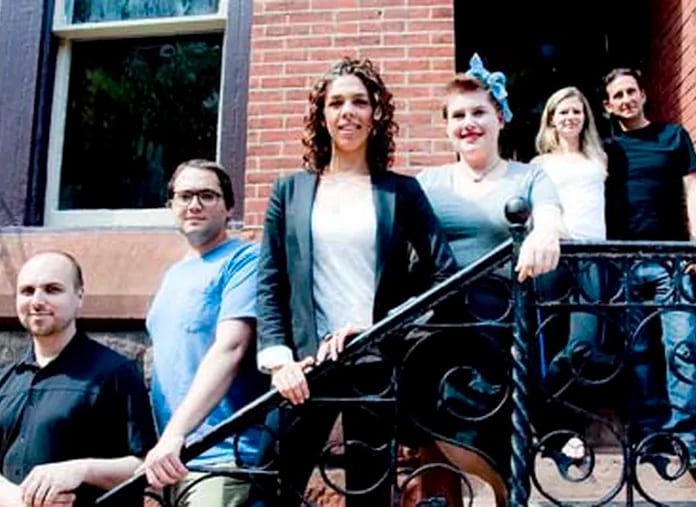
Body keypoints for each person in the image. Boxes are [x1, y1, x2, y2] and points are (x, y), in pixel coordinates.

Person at [256, 57, 458, 506]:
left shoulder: (400, 192)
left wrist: (383, 329)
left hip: (375, 365)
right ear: (321, 115)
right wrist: (278, 361)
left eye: (360, 102)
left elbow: (443, 273)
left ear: (375, 114)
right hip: (304, 371)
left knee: (370, 495)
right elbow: (270, 283)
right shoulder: (288, 192)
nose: (348, 111)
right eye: (336, 102)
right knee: (272, 487)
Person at [415, 53, 564, 504]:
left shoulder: (529, 175)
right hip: (439, 333)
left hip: (504, 329)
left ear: (499, 117)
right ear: (446, 127)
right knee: (438, 449)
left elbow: (554, 218)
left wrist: (544, 233)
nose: (468, 123)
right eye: (458, 115)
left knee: (501, 447)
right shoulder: (427, 182)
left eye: (479, 112)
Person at [0, 251, 157, 507]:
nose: (37, 301)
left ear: (79, 296)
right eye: (27, 291)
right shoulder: (4, 380)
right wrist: (23, 502)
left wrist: (80, 470)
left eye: (52, 290)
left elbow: (145, 467)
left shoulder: (116, 373)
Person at [602, 67, 696, 470]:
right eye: (618, 95)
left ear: (644, 94)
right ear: (608, 105)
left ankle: (684, 438)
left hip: (672, 258)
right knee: (639, 352)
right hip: (623, 263)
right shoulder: (608, 147)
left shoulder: (672, 136)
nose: (626, 99)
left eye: (632, 91)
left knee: (682, 346)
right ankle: (649, 436)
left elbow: (693, 186)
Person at [143, 159, 267, 506]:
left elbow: (231, 348)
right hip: (175, 461)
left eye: (207, 196)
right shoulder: (174, 274)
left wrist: (175, 434)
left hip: (224, 458)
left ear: (229, 207)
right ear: (171, 206)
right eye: (184, 196)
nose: (194, 204)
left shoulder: (244, 259)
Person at [530, 86, 614, 463]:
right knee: (547, 337)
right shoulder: (539, 163)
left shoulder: (599, 158)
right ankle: (561, 432)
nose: (570, 118)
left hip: (594, 256)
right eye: (562, 112)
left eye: (576, 111)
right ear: (551, 119)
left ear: (586, 117)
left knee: (582, 346)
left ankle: (554, 415)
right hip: (555, 255)